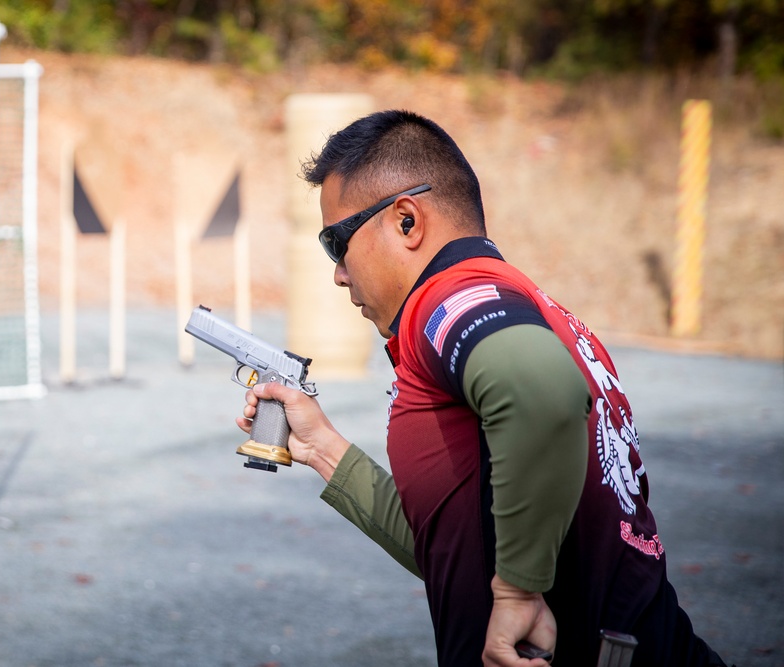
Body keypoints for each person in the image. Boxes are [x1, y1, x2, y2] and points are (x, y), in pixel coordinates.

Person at [236, 110, 728, 666]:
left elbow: (540, 390)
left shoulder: (446, 300)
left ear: (406, 221)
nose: (338, 273)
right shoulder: (523, 302)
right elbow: (460, 546)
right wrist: (322, 448)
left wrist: (519, 593)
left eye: (337, 242)